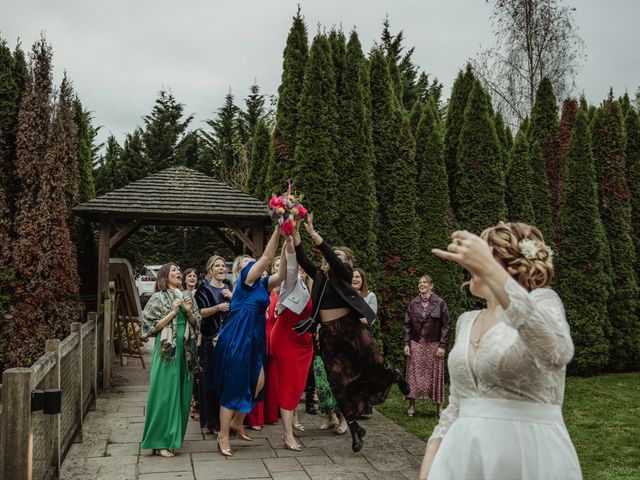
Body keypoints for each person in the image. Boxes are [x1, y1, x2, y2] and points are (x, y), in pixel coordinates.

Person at [420, 222, 582, 479]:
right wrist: (432, 456)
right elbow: (457, 404)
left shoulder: (543, 303)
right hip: (462, 456)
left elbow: (558, 351)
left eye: (485, 258)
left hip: (527, 453)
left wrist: (491, 271)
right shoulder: (467, 320)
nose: (472, 266)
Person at [294, 213, 410, 453]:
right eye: (333, 255)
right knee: (339, 383)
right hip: (329, 335)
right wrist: (294, 232)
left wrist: (314, 233)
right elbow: (302, 257)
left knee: (372, 363)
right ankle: (356, 428)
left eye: (340, 256)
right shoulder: (318, 276)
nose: (334, 257)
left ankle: (393, 375)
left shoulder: (345, 273)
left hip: (350, 328)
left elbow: (334, 262)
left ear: (346, 261)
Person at [211, 229, 287, 457]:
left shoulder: (263, 285)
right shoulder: (245, 282)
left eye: (251, 261)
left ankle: (237, 421)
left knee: (259, 381)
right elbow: (265, 258)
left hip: (255, 338)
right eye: (246, 262)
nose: (251, 262)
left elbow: (281, 275)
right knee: (235, 386)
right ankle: (223, 435)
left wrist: (288, 241)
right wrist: (278, 229)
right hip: (238, 336)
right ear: (241, 270)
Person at [140, 263, 201, 458]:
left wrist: (189, 311)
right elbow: (149, 328)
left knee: (183, 394)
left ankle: (173, 438)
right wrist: (173, 313)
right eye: (173, 270)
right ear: (165, 276)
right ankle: (158, 441)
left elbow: (197, 323)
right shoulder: (157, 298)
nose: (178, 272)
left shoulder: (188, 296)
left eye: (178, 270)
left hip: (186, 351)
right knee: (164, 394)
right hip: (167, 351)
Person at [270, 240, 315, 450]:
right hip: (286, 339)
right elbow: (290, 263)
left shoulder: (310, 287)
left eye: (304, 271)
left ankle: (290, 426)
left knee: (298, 386)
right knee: (288, 386)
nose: (301, 272)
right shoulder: (290, 284)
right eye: (299, 270)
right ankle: (287, 435)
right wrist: (289, 240)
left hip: (304, 344)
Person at [403, 275, 449, 418]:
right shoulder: (413, 303)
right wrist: (406, 343)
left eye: (424, 282)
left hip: (434, 344)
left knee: (436, 375)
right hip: (416, 343)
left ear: (431, 286)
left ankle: (439, 406)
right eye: (420, 282)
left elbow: (446, 325)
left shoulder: (440, 303)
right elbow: (407, 324)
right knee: (412, 374)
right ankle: (411, 405)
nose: (421, 284)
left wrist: (442, 345)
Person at [196, 256, 232, 434]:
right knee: (210, 381)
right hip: (210, 340)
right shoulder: (204, 288)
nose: (221, 268)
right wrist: (219, 307)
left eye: (223, 266)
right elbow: (199, 313)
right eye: (217, 265)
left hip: (227, 340)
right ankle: (212, 422)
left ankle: (226, 421)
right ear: (210, 269)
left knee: (225, 381)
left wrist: (231, 299)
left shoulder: (229, 287)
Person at [247, 257, 282, 430]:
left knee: (271, 380)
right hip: (257, 337)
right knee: (256, 378)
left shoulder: (276, 294)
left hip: (273, 339)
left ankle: (270, 414)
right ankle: (253, 418)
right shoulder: (249, 292)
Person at [352, 268, 378, 417]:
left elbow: (369, 319)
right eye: (353, 277)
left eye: (358, 277)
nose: (355, 279)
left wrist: (351, 318)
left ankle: (364, 408)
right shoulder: (346, 294)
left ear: (363, 280)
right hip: (349, 337)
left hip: (364, 336)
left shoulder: (370, 296)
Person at [181, 268, 201, 421]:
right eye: (189, 276)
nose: (193, 278)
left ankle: (195, 406)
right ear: (184, 279)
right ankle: (188, 404)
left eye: (194, 276)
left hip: (200, 333)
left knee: (197, 372)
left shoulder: (200, 293)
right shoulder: (180, 294)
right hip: (185, 336)